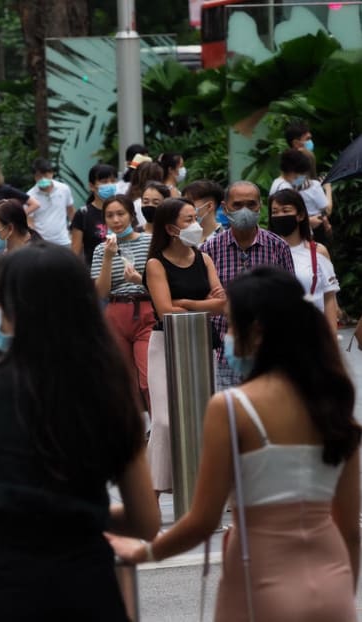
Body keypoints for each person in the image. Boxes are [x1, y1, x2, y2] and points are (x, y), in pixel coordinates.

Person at [0, 241, 160, 619]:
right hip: (87, 583)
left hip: (1, 585)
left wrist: (3, 507)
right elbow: (145, 521)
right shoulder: (108, 387)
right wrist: (80, 510)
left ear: (12, 310)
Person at [110, 266, 360, 622]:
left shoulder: (233, 407)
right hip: (334, 585)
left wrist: (144, 552)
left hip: (260, 585)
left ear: (255, 331)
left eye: (230, 324)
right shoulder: (335, 403)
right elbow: (350, 530)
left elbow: (201, 519)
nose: (227, 335)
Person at [145, 198, 226, 495]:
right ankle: (152, 492)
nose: (195, 225)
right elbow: (166, 311)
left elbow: (223, 304)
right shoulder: (156, 263)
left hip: (200, 341)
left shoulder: (203, 258)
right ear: (170, 228)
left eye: (195, 218)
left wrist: (188, 303)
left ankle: (199, 491)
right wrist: (205, 305)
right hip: (165, 344)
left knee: (200, 419)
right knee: (165, 422)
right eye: (187, 220)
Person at [200, 181, 295, 389]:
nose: (245, 210)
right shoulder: (209, 249)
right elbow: (203, 298)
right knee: (230, 414)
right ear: (225, 208)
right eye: (237, 205)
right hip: (223, 352)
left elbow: (291, 300)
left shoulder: (278, 246)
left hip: (269, 350)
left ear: (260, 206)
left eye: (251, 204)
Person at [91, 195, 154, 409]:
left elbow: (162, 282)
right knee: (123, 379)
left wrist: (139, 279)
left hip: (146, 309)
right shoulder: (101, 249)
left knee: (148, 379)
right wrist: (108, 257)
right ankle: (134, 431)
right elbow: (100, 291)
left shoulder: (149, 241)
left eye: (121, 214)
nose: (116, 220)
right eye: (110, 216)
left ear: (131, 215)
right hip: (116, 311)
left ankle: (159, 430)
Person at [268, 189, 339, 333]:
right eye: (275, 212)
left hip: (313, 335)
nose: (280, 216)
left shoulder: (318, 252)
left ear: (300, 215)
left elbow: (329, 299)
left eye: (286, 210)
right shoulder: (265, 251)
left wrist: (332, 341)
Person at [269, 148, 329, 237]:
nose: (303, 177)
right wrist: (309, 221)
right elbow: (286, 218)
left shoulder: (280, 182)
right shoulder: (285, 188)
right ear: (294, 172)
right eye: (302, 173)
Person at [71, 163, 115, 266]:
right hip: (95, 272)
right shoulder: (83, 214)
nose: (109, 185)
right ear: (92, 186)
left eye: (113, 181)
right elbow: (75, 252)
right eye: (104, 182)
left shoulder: (123, 209)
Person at [26, 158, 74, 247]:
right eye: (38, 176)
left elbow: (70, 211)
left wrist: (73, 232)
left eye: (45, 175)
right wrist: (35, 241)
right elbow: (30, 222)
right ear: (34, 177)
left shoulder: (64, 189)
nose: (42, 178)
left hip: (64, 241)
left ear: (51, 173)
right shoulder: (30, 196)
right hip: (42, 243)